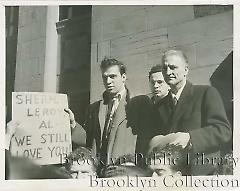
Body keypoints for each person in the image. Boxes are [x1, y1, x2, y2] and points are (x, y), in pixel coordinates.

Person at [155, 49, 232, 175]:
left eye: (173, 67)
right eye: (165, 68)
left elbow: (223, 130)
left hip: (202, 173)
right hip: (172, 176)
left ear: (186, 70)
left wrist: (191, 138)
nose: (168, 72)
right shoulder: (160, 106)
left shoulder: (205, 93)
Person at [69, 57, 137, 172]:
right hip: (100, 171)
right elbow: (88, 141)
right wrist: (74, 125)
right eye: (105, 77)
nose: (108, 81)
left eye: (112, 76)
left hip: (124, 172)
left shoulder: (136, 104)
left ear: (123, 77)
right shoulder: (95, 108)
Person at [128, 65, 170, 157]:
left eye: (160, 82)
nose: (155, 86)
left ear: (169, 83)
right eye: (152, 82)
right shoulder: (144, 106)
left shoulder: (174, 106)